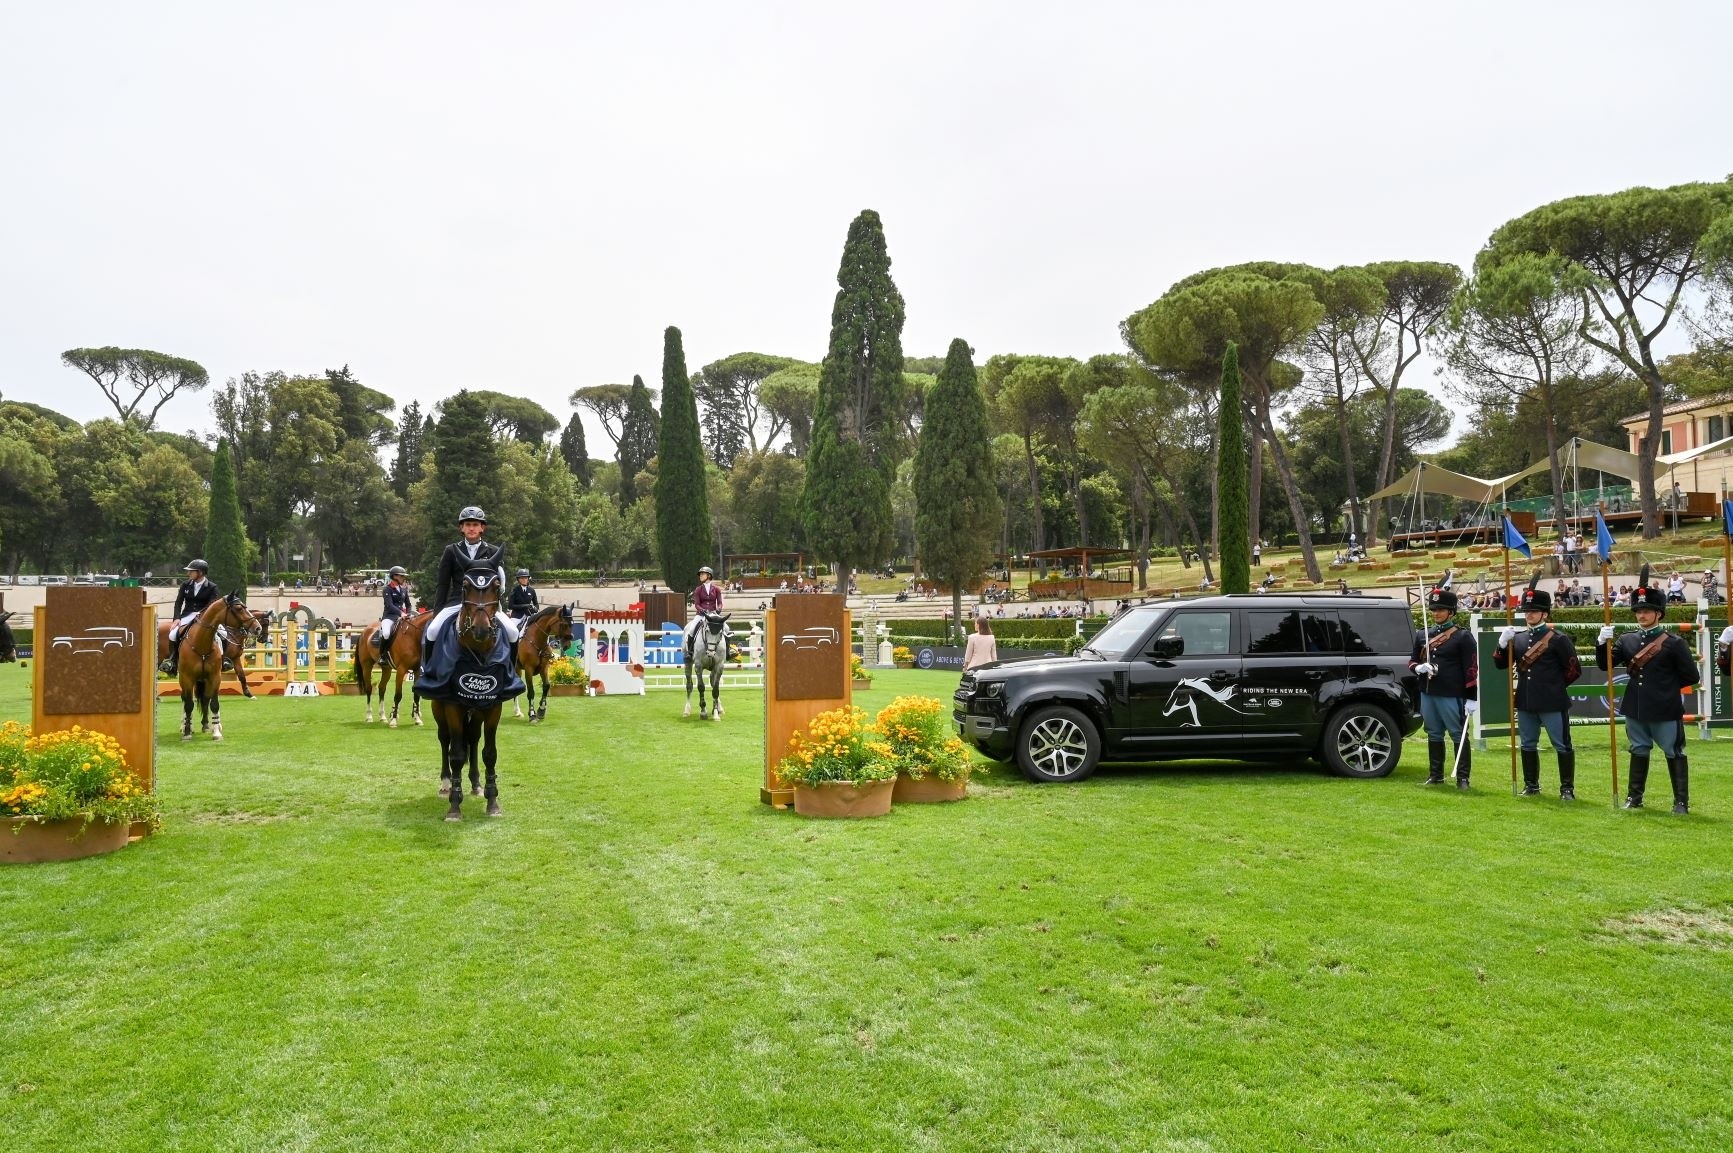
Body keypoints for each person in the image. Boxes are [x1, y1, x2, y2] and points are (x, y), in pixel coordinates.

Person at [1597, 570, 1697, 812]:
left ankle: (1681, 802)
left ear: (1658, 613)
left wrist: (1664, 687)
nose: (1641, 615)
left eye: (1647, 611)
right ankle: (1634, 798)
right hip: (1635, 706)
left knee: (1673, 752)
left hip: (1664, 707)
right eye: (1638, 611)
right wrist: (1601, 643)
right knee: (1638, 749)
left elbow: (1691, 676)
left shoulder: (1674, 643)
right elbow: (1605, 665)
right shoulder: (1627, 640)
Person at [1493, 580, 1582, 799]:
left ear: (1545, 614)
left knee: (1561, 744)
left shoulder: (1559, 639)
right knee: (1528, 743)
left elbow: (1573, 670)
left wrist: (1553, 687)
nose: (1529, 614)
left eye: (1534, 611)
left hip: (1552, 701)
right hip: (1525, 700)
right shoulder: (1519, 638)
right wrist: (1502, 645)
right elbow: (1500, 664)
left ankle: (1567, 789)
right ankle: (1531, 785)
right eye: (1527, 610)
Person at [1410, 580, 1478, 788]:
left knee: (1457, 733)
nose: (1436, 613)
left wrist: (1472, 698)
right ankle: (1435, 774)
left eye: (1441, 610)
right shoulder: (1423, 635)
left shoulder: (1462, 636)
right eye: (1434, 609)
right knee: (1433, 732)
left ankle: (1463, 777)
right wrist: (1419, 668)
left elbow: (1472, 669)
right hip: (1428, 692)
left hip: (1451, 693)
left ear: (1451, 612)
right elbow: (1412, 661)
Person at [425, 506, 514, 646]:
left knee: (513, 633)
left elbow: (499, 581)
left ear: (482, 528)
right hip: (457, 602)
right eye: (467, 525)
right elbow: (443, 584)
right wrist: (438, 611)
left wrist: (499, 604)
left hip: (487, 605)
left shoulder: (493, 551)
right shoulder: (451, 551)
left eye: (475, 525)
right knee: (432, 631)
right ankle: (428, 668)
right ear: (462, 528)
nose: (471, 528)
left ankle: (511, 668)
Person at [162, 559, 219, 675]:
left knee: (222, 634)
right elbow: (178, 602)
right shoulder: (185, 585)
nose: (188, 574)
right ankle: (173, 661)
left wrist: (202, 614)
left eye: (191, 571)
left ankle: (224, 660)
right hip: (187, 615)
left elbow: (212, 605)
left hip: (205, 617)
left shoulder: (212, 587)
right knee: (173, 634)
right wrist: (177, 618)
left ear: (200, 572)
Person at [685, 564, 726, 661]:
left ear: (709, 575)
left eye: (702, 574)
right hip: (701, 615)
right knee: (691, 630)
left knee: (726, 629)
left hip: (713, 614)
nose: (700, 576)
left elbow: (720, 602)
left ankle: (728, 651)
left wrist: (719, 609)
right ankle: (689, 652)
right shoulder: (698, 589)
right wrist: (701, 610)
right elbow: (697, 604)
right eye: (700, 575)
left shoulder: (716, 589)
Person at [374, 566, 411, 665]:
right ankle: (383, 655)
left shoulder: (403, 590)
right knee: (386, 633)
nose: (403, 578)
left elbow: (408, 604)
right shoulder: (387, 589)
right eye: (401, 576)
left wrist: (409, 614)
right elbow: (389, 605)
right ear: (394, 576)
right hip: (389, 617)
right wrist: (401, 613)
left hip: (402, 617)